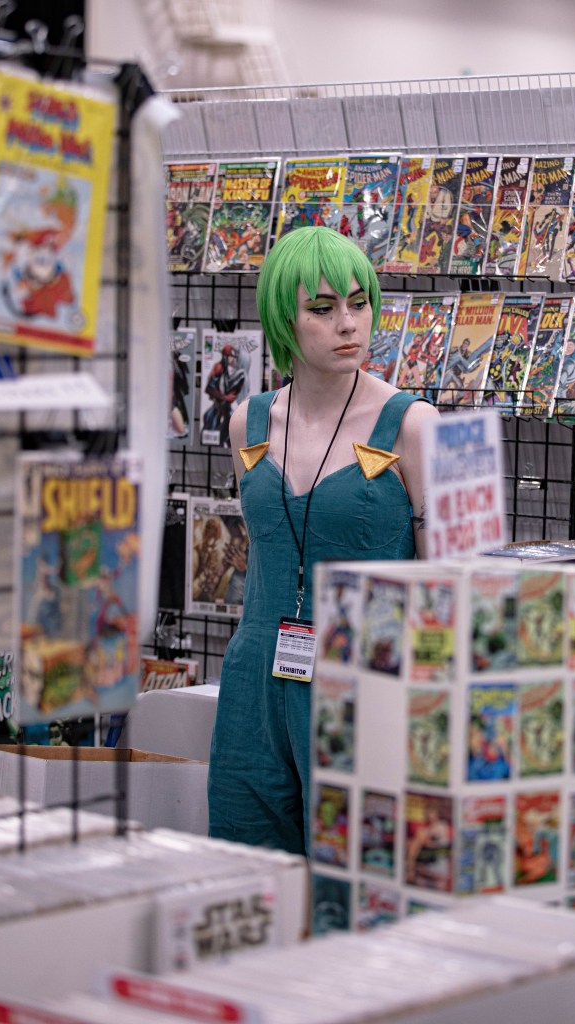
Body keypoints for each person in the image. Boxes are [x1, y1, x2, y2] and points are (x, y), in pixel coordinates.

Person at [207, 226, 438, 855]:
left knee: (359, 874)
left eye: (359, 303)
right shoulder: (248, 423)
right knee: (249, 867)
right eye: (322, 308)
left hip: (366, 677)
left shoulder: (413, 426)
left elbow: (448, 586)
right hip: (256, 677)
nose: (348, 324)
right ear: (285, 318)